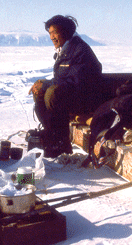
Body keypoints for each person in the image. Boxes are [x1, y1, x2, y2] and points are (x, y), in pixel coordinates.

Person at [29, 15, 103, 157]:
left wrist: (46, 85)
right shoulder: (66, 49)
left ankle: (61, 143)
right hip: (72, 94)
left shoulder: (79, 50)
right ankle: (51, 133)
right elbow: (63, 79)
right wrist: (41, 85)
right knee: (39, 90)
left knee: (52, 93)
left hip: (86, 99)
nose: (52, 37)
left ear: (66, 31)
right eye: (50, 33)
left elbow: (75, 81)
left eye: (55, 32)